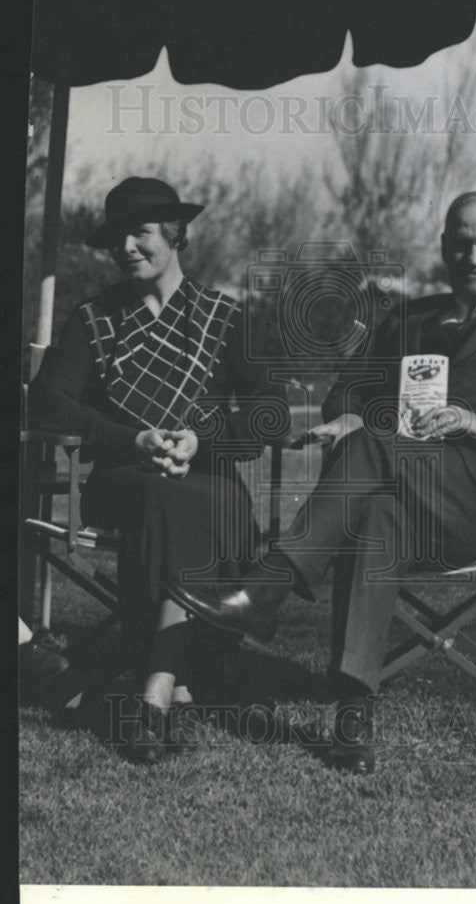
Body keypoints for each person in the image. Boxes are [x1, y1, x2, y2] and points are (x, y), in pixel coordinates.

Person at [167, 190, 476, 774]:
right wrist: (346, 414)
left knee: (372, 444)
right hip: (405, 497)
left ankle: (266, 588)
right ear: (445, 247)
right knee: (374, 518)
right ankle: (352, 714)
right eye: (460, 243)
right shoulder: (412, 318)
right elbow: (349, 391)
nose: (472, 256)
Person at [29, 177, 289, 764]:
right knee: (180, 505)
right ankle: (167, 687)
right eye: (117, 235)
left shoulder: (224, 317)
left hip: (206, 476)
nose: (126, 246)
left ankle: (155, 691)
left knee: (199, 502)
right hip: (124, 481)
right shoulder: (94, 319)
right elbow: (49, 401)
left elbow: (270, 406)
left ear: (175, 235)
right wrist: (134, 438)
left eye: (140, 232)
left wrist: (203, 439)